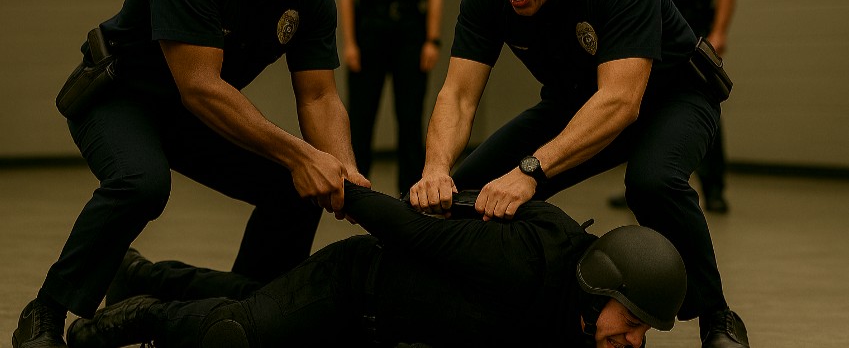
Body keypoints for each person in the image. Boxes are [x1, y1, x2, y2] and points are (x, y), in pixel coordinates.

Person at [11, 0, 369, 348]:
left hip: (192, 113)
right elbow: (200, 86)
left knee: (297, 188)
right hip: (122, 97)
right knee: (142, 184)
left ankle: (240, 314)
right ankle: (46, 310)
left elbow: (319, 96)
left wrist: (341, 165)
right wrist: (303, 155)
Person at [407, 0, 748, 348]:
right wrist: (435, 169)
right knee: (465, 195)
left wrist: (530, 170)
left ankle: (717, 318)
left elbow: (622, 102)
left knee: (651, 181)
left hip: (673, 99)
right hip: (578, 103)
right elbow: (460, 94)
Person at [64, 183, 687, 347]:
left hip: (383, 330)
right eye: (630, 321)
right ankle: (135, 317)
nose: (633, 340)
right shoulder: (523, 264)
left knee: (256, 294)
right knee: (236, 333)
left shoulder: (582, 329)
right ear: (597, 285)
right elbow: (417, 235)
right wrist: (343, 193)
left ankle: (141, 272)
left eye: (642, 333)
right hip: (354, 285)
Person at [610, 0, 739, 213]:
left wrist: (720, 31)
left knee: (701, 106)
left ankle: (714, 189)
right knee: (638, 108)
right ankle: (637, 183)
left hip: (695, 40)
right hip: (649, 38)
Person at [337, 0, 445, 196]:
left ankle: (410, 193)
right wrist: (350, 43)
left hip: (411, 36)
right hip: (369, 36)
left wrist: (432, 39)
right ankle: (356, 188)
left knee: (410, 118)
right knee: (361, 117)